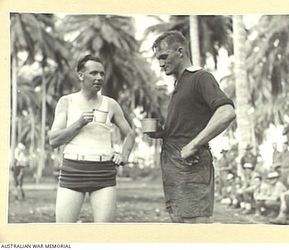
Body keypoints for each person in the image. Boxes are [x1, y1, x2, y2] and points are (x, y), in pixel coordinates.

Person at [147, 31, 236, 223]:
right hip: (174, 166)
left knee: (195, 229)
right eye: (158, 59)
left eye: (164, 56)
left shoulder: (200, 78)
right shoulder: (180, 84)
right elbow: (188, 125)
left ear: (180, 51)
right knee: (179, 224)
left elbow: (227, 112)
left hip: (191, 165)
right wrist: (162, 132)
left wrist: (194, 144)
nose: (161, 64)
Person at [49, 55, 135, 223]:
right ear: (81, 75)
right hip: (72, 170)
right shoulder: (67, 102)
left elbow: (130, 134)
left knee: (103, 234)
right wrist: (79, 123)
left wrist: (123, 156)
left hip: (103, 172)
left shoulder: (110, 104)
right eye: (94, 73)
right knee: (63, 232)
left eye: (102, 74)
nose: (99, 78)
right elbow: (53, 140)